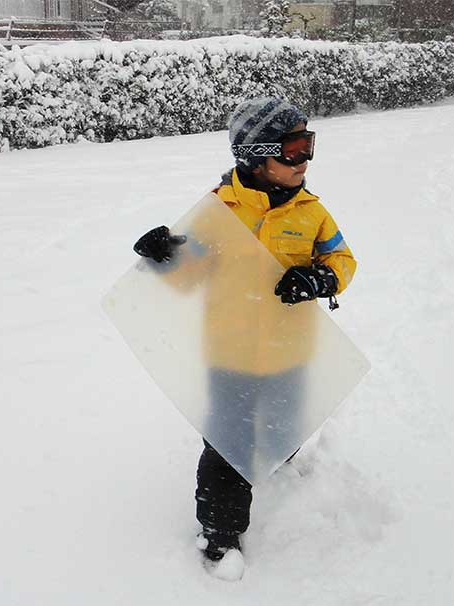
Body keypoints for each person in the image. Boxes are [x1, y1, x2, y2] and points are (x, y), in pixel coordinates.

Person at [132, 97, 357, 566]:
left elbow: (342, 260)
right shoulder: (218, 210)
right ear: (258, 157)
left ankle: (277, 456)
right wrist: (161, 256)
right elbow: (186, 276)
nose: (306, 160)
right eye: (293, 149)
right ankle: (220, 533)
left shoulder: (312, 212)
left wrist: (320, 278)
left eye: (308, 145)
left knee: (281, 434)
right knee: (228, 446)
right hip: (229, 354)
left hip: (289, 354)